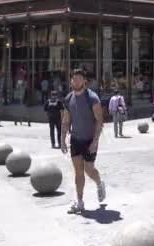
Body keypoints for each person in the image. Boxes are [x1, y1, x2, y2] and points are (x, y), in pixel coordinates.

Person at [61, 69, 106, 214]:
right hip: (76, 139)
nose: (76, 81)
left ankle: (99, 183)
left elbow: (99, 120)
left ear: (84, 81)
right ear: (71, 81)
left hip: (90, 139)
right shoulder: (68, 98)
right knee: (78, 172)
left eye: (79, 79)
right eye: (74, 79)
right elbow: (66, 120)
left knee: (89, 169)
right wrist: (62, 139)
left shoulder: (92, 98)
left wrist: (95, 142)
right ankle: (80, 202)